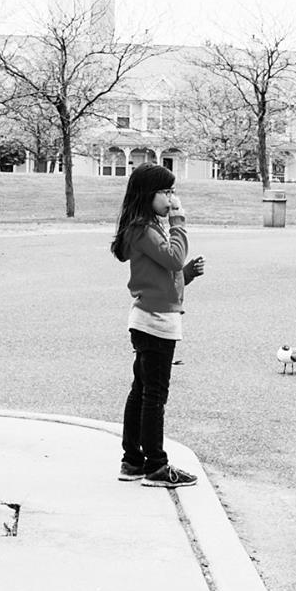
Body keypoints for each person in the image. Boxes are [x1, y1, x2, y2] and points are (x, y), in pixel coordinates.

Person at [110, 164, 205, 487]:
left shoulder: (146, 228)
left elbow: (166, 273)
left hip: (151, 316)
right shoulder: (144, 229)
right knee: (154, 394)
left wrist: (188, 274)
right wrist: (179, 222)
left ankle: (133, 460)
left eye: (173, 191)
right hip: (155, 321)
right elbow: (173, 258)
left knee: (141, 390)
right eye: (165, 192)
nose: (172, 198)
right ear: (147, 195)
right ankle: (156, 465)